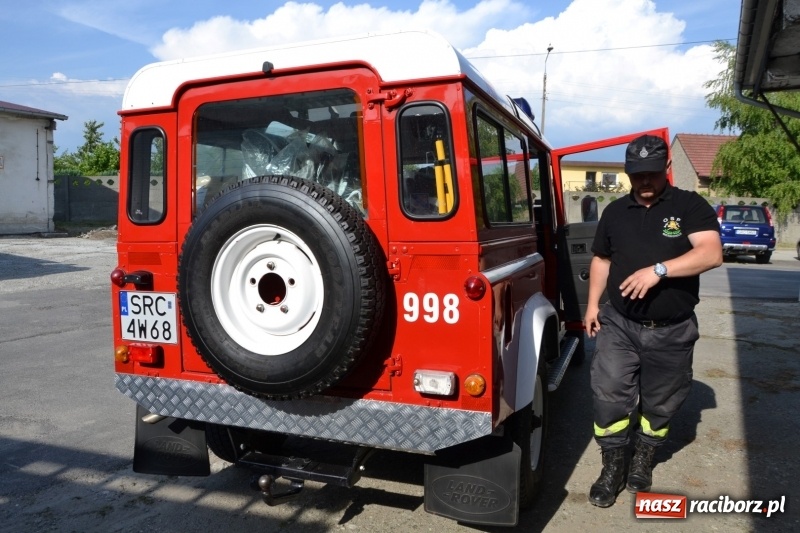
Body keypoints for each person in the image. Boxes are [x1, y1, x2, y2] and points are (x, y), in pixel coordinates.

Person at [582, 134, 723, 508]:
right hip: (620, 323)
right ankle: (613, 464)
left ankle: (643, 456)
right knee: (609, 393)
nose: (644, 182)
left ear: (665, 170)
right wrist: (592, 305)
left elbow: (710, 253)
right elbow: (602, 259)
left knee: (660, 404)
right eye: (636, 175)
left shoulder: (689, 206)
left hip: (672, 330)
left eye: (652, 174)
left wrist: (659, 270)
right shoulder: (614, 211)